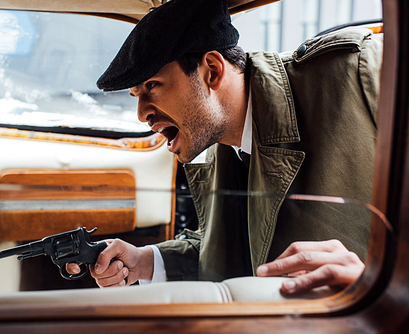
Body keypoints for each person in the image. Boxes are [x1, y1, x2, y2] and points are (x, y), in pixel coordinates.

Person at [67, 0, 382, 295]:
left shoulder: (356, 72)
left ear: (212, 71)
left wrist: (377, 281)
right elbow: (239, 249)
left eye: (152, 85)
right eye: (136, 94)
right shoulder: (214, 138)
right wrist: (145, 260)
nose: (142, 114)